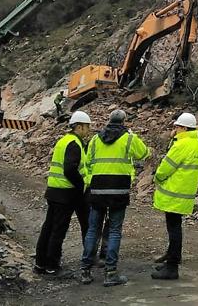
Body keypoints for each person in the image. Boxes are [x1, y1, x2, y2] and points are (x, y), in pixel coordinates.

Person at [79, 110, 149, 287]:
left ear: (108, 121)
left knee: (93, 229)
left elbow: (88, 163)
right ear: (124, 121)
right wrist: (133, 135)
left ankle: (85, 271)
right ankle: (110, 273)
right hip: (119, 190)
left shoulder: (95, 139)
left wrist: (90, 182)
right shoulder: (128, 138)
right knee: (115, 231)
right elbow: (143, 153)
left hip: (97, 190)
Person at [35, 111, 92, 276]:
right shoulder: (74, 143)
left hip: (54, 190)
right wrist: (80, 185)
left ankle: (40, 263)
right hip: (65, 193)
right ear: (79, 126)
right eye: (87, 127)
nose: (88, 130)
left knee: (48, 228)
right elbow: (69, 169)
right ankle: (52, 265)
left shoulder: (63, 141)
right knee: (58, 230)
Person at [151, 112, 198, 281]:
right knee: (175, 227)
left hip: (173, 194)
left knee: (174, 229)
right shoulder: (197, 145)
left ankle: (172, 267)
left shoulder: (181, 145)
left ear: (183, 128)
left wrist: (157, 178)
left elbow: (165, 168)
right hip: (185, 195)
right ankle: (171, 258)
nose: (174, 130)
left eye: (176, 127)